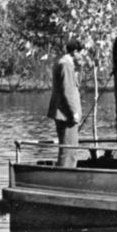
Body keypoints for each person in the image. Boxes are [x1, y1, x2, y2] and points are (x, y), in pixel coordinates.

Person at [47, 39, 83, 167]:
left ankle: (64, 174)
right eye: (80, 52)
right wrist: (74, 113)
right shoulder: (66, 65)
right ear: (74, 51)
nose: (81, 55)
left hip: (62, 112)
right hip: (66, 114)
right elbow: (67, 91)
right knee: (69, 150)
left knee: (66, 148)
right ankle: (65, 176)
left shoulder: (60, 62)